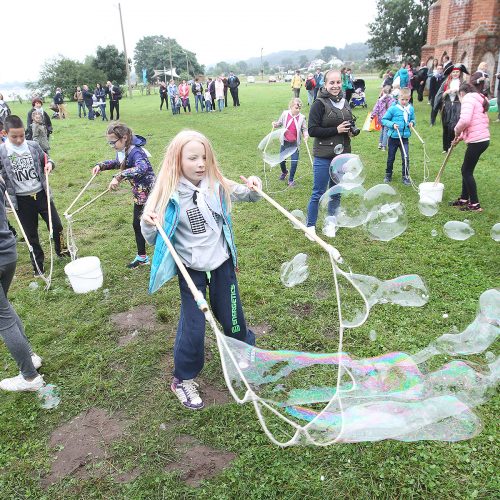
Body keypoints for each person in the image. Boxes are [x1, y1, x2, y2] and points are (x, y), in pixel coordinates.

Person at [140, 130, 261, 410]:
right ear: (177, 160)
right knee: (194, 327)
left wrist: (254, 185)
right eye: (192, 158)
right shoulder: (167, 193)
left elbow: (247, 195)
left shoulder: (214, 183)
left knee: (232, 315)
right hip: (191, 271)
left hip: (221, 264)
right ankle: (183, 379)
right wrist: (148, 222)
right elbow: (152, 235)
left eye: (204, 157)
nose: (200, 163)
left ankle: (244, 351)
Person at [0, 115, 68, 275]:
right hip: (21, 201)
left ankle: (63, 252)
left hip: (41, 194)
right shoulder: (2, 152)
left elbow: (47, 159)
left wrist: (50, 164)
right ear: (5, 133)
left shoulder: (33, 146)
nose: (19, 140)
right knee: (31, 235)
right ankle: (38, 265)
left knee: (57, 226)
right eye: (14, 136)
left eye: (22, 135)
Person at [0, 174, 44, 392]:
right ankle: (30, 356)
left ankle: (29, 377)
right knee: (4, 307)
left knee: (2, 318)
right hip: (8, 253)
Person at [92, 122, 156, 268]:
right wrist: (100, 166)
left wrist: (119, 176)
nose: (112, 145)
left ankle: (169, 253)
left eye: (113, 142)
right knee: (138, 224)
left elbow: (142, 168)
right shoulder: (123, 150)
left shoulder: (135, 151)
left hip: (151, 192)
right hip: (140, 194)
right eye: (109, 143)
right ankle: (142, 257)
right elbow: (118, 162)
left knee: (157, 223)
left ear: (125, 138)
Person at [306, 69, 356, 236]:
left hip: (342, 155)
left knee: (336, 192)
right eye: (331, 83)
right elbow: (312, 130)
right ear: (325, 84)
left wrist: (348, 131)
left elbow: (347, 123)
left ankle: (330, 224)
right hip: (323, 155)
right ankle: (310, 227)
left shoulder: (345, 101)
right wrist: (336, 129)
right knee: (318, 192)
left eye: (338, 82)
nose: (335, 86)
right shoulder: (318, 103)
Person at [449, 83, 490, 212]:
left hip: (477, 141)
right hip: (483, 140)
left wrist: (456, 131)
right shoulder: (477, 99)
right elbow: (474, 124)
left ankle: (475, 204)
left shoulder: (467, 99)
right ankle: (464, 199)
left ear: (461, 93)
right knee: (466, 169)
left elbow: (465, 121)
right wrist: (459, 137)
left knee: (466, 171)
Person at [381, 88, 415, 185]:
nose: (404, 102)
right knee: (391, 157)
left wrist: (412, 123)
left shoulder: (410, 108)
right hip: (393, 138)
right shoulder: (393, 108)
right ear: (398, 98)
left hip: (404, 138)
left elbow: (413, 119)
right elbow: (384, 120)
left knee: (406, 156)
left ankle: (405, 176)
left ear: (409, 98)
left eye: (406, 100)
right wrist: (392, 125)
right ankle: (388, 174)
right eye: (402, 100)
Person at [272, 98, 308, 187]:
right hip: (285, 142)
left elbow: (304, 128)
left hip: (295, 143)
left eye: (299, 108)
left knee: (294, 162)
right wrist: (275, 124)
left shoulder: (302, 118)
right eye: (296, 108)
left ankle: (291, 179)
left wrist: (306, 135)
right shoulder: (285, 114)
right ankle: (284, 172)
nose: (298, 110)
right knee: (281, 161)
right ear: (291, 107)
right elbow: (279, 123)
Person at [432, 63, 468, 153]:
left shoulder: (463, 83)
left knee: (453, 126)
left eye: (457, 72)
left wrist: (458, 91)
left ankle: (450, 146)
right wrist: (447, 92)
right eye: (453, 72)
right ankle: (445, 147)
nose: (455, 73)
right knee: (446, 126)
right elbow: (440, 94)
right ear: (451, 73)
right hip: (447, 106)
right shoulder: (446, 82)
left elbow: (466, 96)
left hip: (457, 106)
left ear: (460, 73)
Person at [371, 85, 395, 151]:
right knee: (386, 132)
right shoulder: (393, 100)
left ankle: (380, 143)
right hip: (387, 119)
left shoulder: (380, 100)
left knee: (382, 130)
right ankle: (384, 146)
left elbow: (376, 108)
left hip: (381, 118)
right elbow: (394, 109)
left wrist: (372, 116)